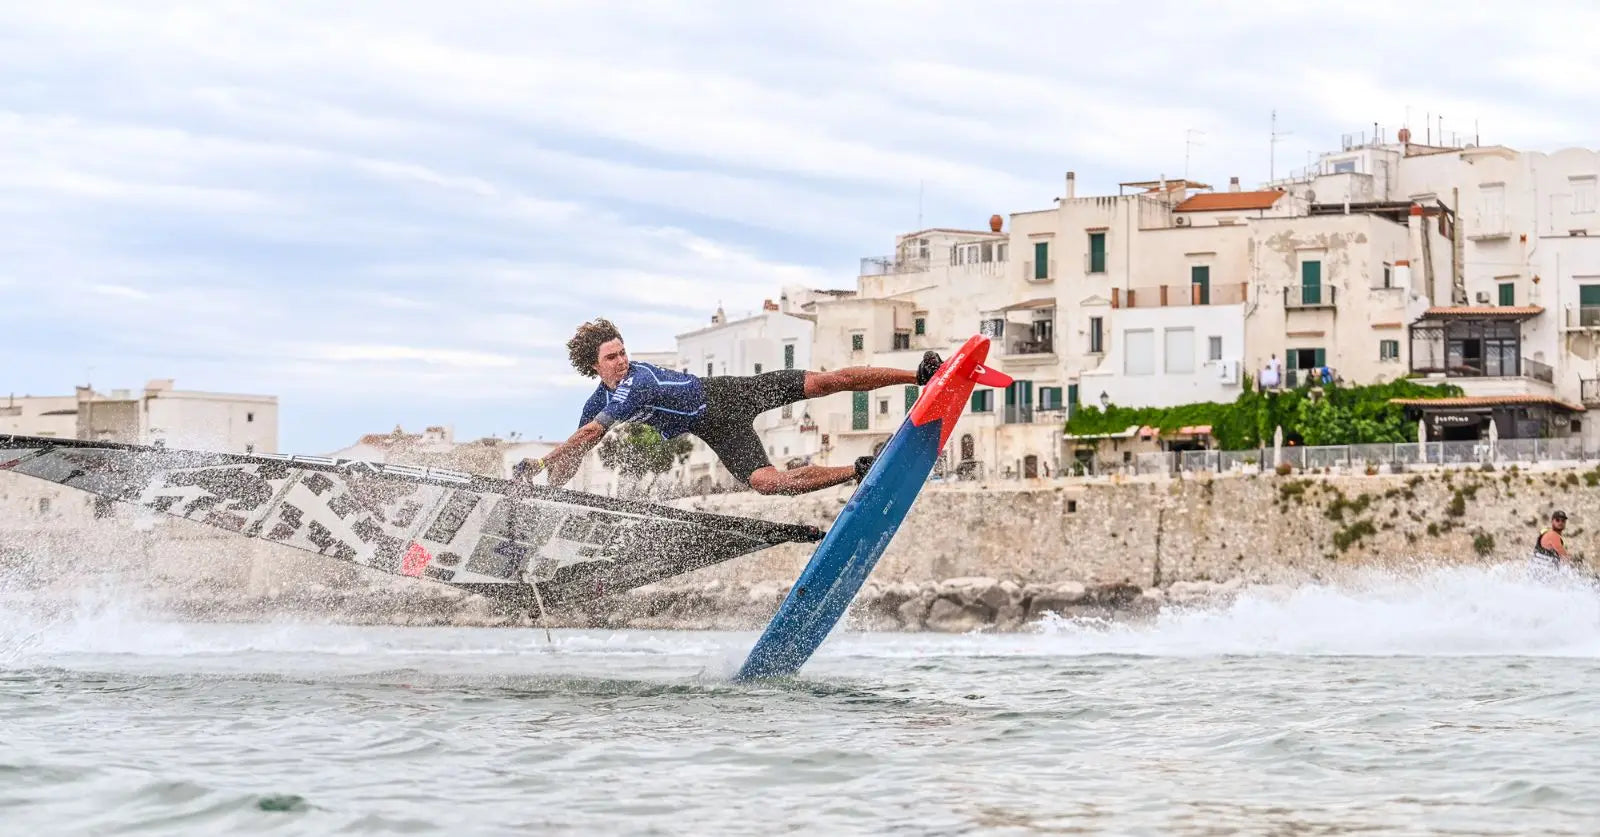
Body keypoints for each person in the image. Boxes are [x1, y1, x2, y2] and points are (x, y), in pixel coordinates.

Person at [514, 318, 945, 496]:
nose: (621, 360)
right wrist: (551, 489)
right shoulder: (598, 400)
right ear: (594, 366)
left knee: (823, 382)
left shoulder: (638, 380)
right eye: (612, 358)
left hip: (728, 394)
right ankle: (859, 471)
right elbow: (578, 448)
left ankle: (920, 376)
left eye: (623, 351)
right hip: (717, 430)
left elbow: (589, 435)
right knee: (769, 484)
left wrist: (537, 466)